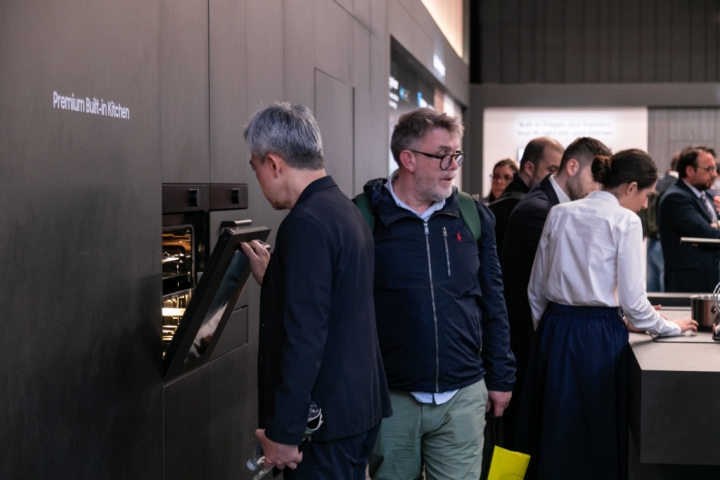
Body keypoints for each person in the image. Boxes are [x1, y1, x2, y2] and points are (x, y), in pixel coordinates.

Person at [517, 149, 698, 480]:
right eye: (646, 195)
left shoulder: (559, 212)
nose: (645, 204)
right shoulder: (625, 221)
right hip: (598, 336)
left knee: (552, 428)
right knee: (592, 433)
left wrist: (550, 330)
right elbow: (634, 302)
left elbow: (536, 288)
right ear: (630, 187)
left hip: (554, 329)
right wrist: (668, 327)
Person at [359, 108, 516, 480]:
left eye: (456, 154)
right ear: (408, 159)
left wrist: (500, 376)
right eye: (443, 156)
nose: (453, 166)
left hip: (463, 394)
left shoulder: (472, 215)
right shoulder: (363, 218)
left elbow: (493, 300)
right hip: (391, 399)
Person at [241, 103, 392, 479]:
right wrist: (277, 279)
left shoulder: (305, 223)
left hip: (324, 427)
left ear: (274, 163)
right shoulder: (345, 210)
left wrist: (284, 432)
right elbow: (334, 303)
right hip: (358, 410)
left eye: (255, 168)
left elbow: (305, 337)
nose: (258, 179)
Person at [500, 137, 610, 448]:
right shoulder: (541, 210)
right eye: (595, 178)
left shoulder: (553, 206)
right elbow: (574, 275)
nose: (598, 189)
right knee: (521, 439)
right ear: (572, 167)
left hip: (536, 335)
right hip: (525, 342)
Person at [489, 137, 563, 260]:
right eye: (552, 170)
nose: (557, 178)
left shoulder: (507, 204)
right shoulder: (532, 210)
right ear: (529, 168)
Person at [658, 146, 720, 293]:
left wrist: (716, 225)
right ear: (690, 170)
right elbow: (709, 235)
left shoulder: (709, 196)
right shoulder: (675, 198)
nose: (715, 174)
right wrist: (712, 229)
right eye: (709, 169)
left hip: (710, 282)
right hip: (690, 286)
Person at [639, 154, 679, 292]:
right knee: (664, 288)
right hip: (664, 242)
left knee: (652, 286)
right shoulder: (675, 187)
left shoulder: (659, 183)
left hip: (651, 240)